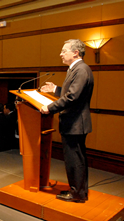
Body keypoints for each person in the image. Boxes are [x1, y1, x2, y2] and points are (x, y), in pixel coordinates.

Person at [40, 39, 94, 203]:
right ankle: (78, 191)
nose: (61, 54)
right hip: (74, 122)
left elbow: (72, 97)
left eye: (64, 51)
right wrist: (55, 90)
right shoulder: (76, 69)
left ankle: (77, 194)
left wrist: (49, 108)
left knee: (75, 160)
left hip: (75, 123)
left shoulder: (81, 70)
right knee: (76, 159)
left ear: (75, 52)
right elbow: (72, 92)